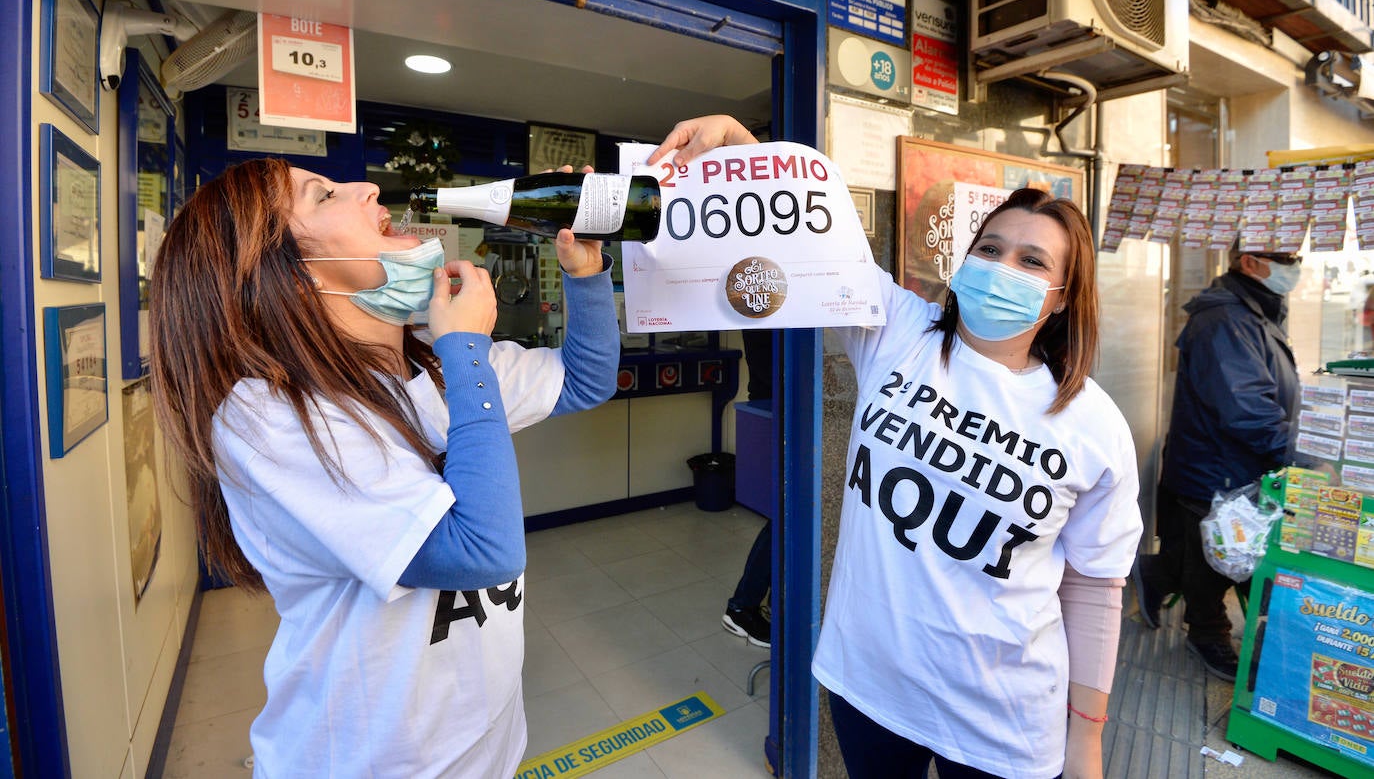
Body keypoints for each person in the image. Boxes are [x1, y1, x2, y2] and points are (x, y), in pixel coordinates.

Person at [649, 117, 1142, 779]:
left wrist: (1085, 740)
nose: (1002, 268)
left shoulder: (1092, 423)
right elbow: (811, 234)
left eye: (1032, 261)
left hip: (1003, 721)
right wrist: (747, 149)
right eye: (990, 248)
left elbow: (1093, 589)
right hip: (869, 688)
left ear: (1061, 298)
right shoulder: (900, 332)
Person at [148, 158, 618, 778]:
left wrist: (584, 270)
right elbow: (480, 551)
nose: (368, 187)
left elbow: (586, 379)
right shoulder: (270, 415)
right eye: (324, 195)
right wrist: (466, 347)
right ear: (291, 279)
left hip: (486, 750)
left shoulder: (438, 368)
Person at [1133, 246, 1302, 682]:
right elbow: (1245, 407)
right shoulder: (1225, 320)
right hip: (1215, 469)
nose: (1295, 267)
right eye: (1286, 258)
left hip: (1235, 465)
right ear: (1249, 263)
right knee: (1219, 556)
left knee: (1214, 551)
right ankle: (1206, 633)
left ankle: (1155, 575)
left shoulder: (1254, 311)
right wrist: (1298, 452)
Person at [722, 329, 774, 647]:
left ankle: (753, 603)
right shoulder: (771, 296)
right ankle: (743, 606)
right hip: (778, 406)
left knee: (784, 516)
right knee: (786, 516)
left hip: (774, 402)